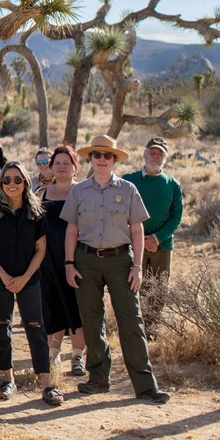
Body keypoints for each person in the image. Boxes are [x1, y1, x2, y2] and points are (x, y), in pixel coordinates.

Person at [63, 135, 170, 404]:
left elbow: (137, 229)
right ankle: (98, 379)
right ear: (91, 159)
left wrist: (137, 266)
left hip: (121, 261)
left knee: (131, 320)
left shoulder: (128, 189)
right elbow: (72, 230)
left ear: (113, 160)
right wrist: (68, 264)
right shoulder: (79, 191)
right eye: (97, 155)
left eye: (107, 156)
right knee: (92, 319)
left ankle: (145, 385)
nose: (101, 160)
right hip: (86, 260)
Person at [0, 160, 61, 405]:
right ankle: (7, 380)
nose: (11, 184)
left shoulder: (36, 212)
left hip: (29, 279)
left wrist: (24, 278)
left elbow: (40, 250)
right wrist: (4, 276)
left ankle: (46, 384)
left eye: (17, 179)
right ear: (1, 183)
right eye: (6, 180)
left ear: (25, 182)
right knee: (1, 326)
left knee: (36, 326)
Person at [122, 137, 183, 331]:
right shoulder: (128, 180)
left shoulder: (172, 184)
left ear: (166, 158)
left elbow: (176, 217)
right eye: (152, 153)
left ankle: (152, 328)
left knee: (158, 287)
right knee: (133, 286)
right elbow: (119, 213)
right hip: (132, 244)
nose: (155, 157)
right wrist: (137, 238)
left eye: (160, 154)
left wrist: (157, 238)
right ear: (144, 154)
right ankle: (134, 327)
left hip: (162, 245)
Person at [40, 144, 88, 377]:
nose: (61, 167)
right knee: (52, 305)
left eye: (66, 163)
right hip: (48, 262)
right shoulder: (41, 195)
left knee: (78, 307)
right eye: (57, 163)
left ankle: (78, 356)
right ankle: (53, 353)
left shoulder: (84, 193)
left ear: (74, 167)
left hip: (79, 260)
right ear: (50, 167)